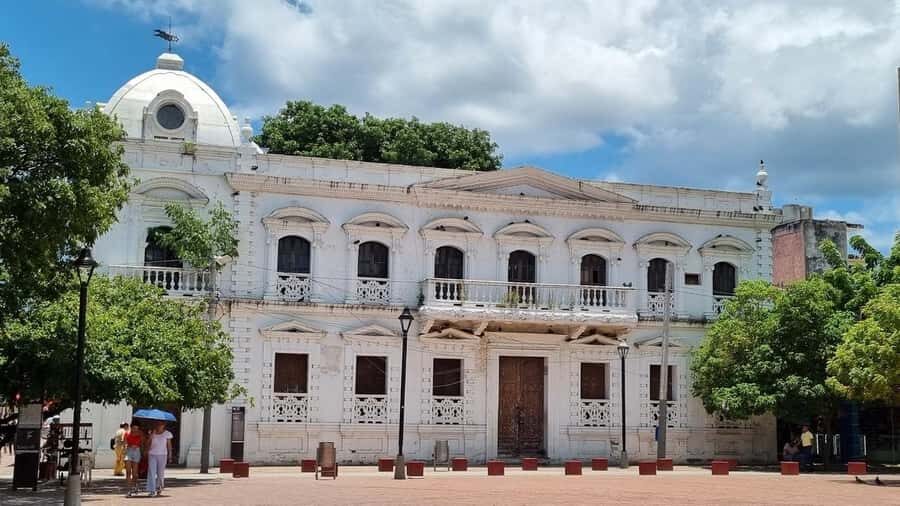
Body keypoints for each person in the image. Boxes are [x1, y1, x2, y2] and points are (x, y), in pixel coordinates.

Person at [146, 421, 173, 497]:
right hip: (152, 454)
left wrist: (170, 456)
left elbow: (169, 446)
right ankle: (151, 490)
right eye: (158, 424)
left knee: (160, 473)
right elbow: (147, 443)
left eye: (161, 424)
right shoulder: (152, 432)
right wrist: (151, 436)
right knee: (151, 472)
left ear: (164, 425)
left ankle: (159, 487)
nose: (159, 426)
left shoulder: (167, 434)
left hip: (162, 455)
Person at [124, 422, 143, 497]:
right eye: (134, 428)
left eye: (137, 429)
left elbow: (142, 444)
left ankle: (135, 485)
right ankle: (128, 490)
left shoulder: (140, 434)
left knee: (135, 474)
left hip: (136, 451)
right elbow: (125, 442)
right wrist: (126, 446)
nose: (135, 430)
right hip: (129, 451)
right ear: (131, 428)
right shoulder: (127, 434)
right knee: (128, 472)